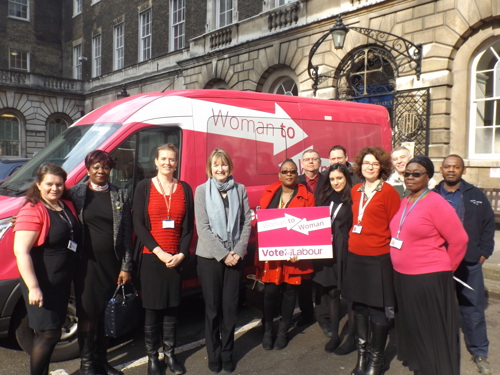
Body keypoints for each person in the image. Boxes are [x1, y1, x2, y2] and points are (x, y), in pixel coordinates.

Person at [390, 155, 468, 375]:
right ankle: (420, 366)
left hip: (428, 278)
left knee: (428, 330)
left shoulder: (436, 203)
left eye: (417, 174)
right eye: (407, 173)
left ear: (428, 177)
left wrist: (445, 269)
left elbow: (459, 240)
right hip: (403, 276)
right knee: (413, 327)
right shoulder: (405, 201)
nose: (410, 177)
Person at [133, 144, 194, 375]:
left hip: (176, 259)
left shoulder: (185, 188)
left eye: (172, 159)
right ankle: (152, 357)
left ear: (177, 163)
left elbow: (188, 228)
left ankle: (170, 354)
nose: (168, 163)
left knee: (172, 308)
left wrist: (181, 253)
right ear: (155, 161)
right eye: (163, 159)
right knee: (152, 309)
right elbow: (139, 224)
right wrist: (159, 252)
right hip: (152, 257)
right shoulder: (144, 187)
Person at [70, 150, 133, 375]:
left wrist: (126, 266)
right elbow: (49, 203)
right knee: (88, 314)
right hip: (86, 266)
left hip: (112, 265)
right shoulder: (75, 193)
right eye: (96, 167)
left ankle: (102, 360)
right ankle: (87, 364)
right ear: (87, 169)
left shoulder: (120, 194)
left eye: (105, 167)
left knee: (107, 314)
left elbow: (126, 234)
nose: (100, 171)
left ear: (110, 170)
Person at [13, 163, 79, 375]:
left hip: (60, 283)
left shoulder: (65, 205)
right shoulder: (33, 210)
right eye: (49, 184)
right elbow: (21, 251)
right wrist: (33, 287)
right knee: (48, 333)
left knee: (53, 332)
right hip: (41, 284)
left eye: (59, 184)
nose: (54, 188)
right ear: (39, 184)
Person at [434, 154, 495, 375]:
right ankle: (439, 351)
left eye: (456, 167)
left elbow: (488, 226)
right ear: (441, 169)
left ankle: (479, 352)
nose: (451, 170)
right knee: (439, 309)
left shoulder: (475, 195)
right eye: (447, 167)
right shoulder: (431, 195)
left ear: (463, 170)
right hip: (438, 263)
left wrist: (483, 253)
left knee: (473, 310)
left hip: (469, 264)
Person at [342, 146, 400, 375]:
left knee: (377, 311)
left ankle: (376, 360)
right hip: (355, 257)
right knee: (359, 309)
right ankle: (362, 357)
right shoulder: (355, 189)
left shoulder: (389, 192)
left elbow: (396, 228)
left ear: (382, 167)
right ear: (360, 166)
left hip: (378, 258)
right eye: (367, 163)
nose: (370, 167)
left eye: (375, 164)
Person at [195, 148, 252, 374]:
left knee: (230, 308)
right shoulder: (201, 191)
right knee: (213, 309)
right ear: (210, 168)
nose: (221, 169)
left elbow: (247, 222)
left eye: (224, 165)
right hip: (210, 258)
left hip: (235, 256)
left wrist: (237, 251)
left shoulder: (240, 189)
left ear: (230, 167)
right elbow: (203, 228)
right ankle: (214, 353)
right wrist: (224, 254)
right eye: (216, 165)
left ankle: (227, 353)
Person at [256, 159, 315, 351]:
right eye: (285, 171)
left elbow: (312, 227)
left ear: (297, 174)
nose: (289, 174)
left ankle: (282, 332)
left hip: (293, 255)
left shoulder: (307, 196)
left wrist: (301, 251)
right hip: (273, 254)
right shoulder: (270, 193)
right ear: (279, 175)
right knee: (271, 291)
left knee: (290, 292)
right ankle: (267, 330)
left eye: (292, 171)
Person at [314, 163, 353, 353]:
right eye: (332, 179)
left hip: (345, 251)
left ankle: (353, 335)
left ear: (346, 178)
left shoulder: (354, 198)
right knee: (331, 293)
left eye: (339, 178)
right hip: (327, 251)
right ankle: (336, 335)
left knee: (350, 295)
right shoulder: (325, 197)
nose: (336, 182)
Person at [297, 148, 326, 325]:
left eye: (314, 159)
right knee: (304, 280)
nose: (311, 162)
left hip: (322, 235)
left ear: (320, 162)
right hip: (302, 235)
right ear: (302, 163)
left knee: (321, 277)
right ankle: (306, 314)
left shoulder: (328, 180)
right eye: (307, 159)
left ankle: (323, 316)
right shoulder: (297, 181)